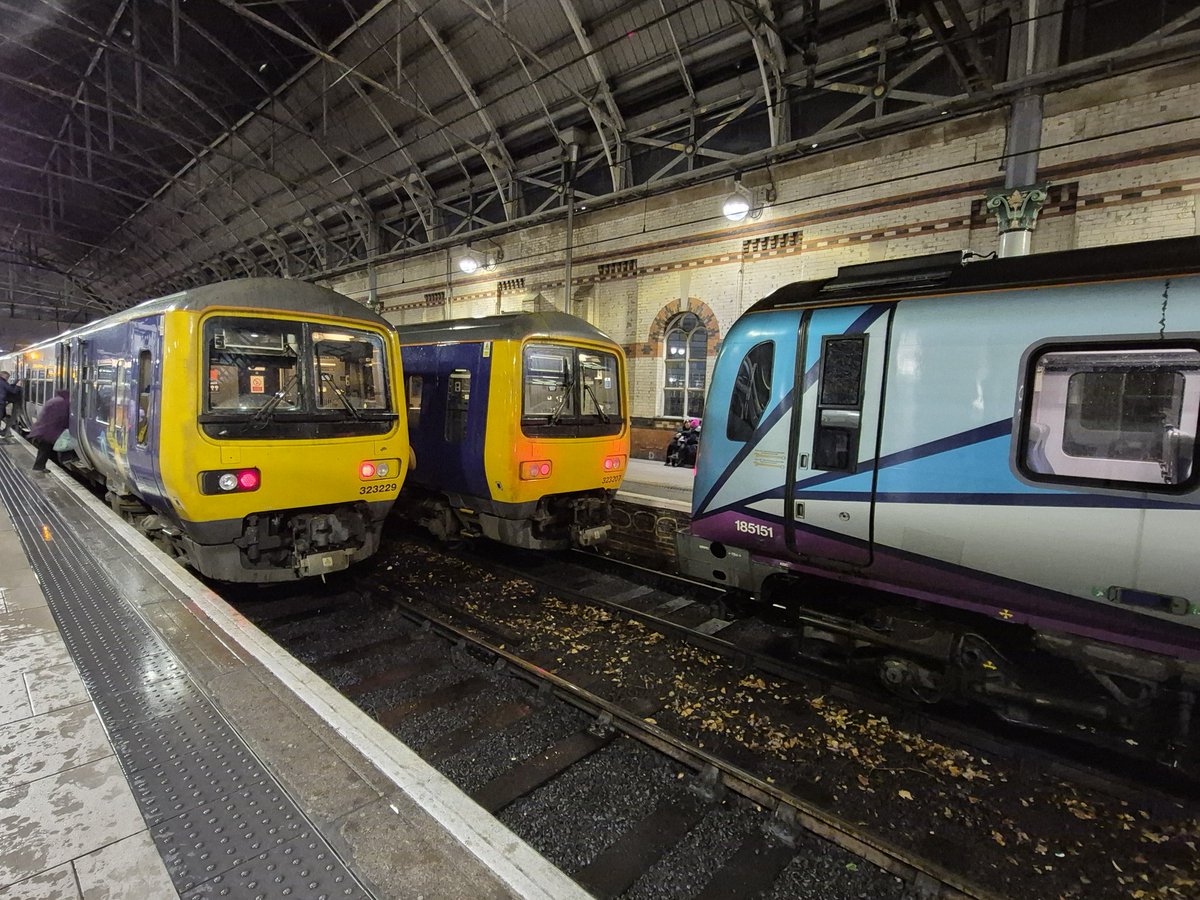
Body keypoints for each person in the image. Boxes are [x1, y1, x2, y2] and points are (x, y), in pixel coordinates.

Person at [29, 389, 70, 472]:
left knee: (44, 449)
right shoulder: (63, 402)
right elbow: (64, 417)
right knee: (46, 449)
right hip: (49, 431)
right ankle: (38, 467)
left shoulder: (54, 400)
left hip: (44, 429)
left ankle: (39, 467)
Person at [0, 370, 20, 442]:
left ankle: (5, 432)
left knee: (2, 416)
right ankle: (4, 432)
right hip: (1, 403)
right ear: (4, 376)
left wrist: (14, 383)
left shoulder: (2, 382)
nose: (8, 378)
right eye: (7, 377)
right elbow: (12, 391)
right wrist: (17, 386)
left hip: (2, 402)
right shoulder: (2, 382)